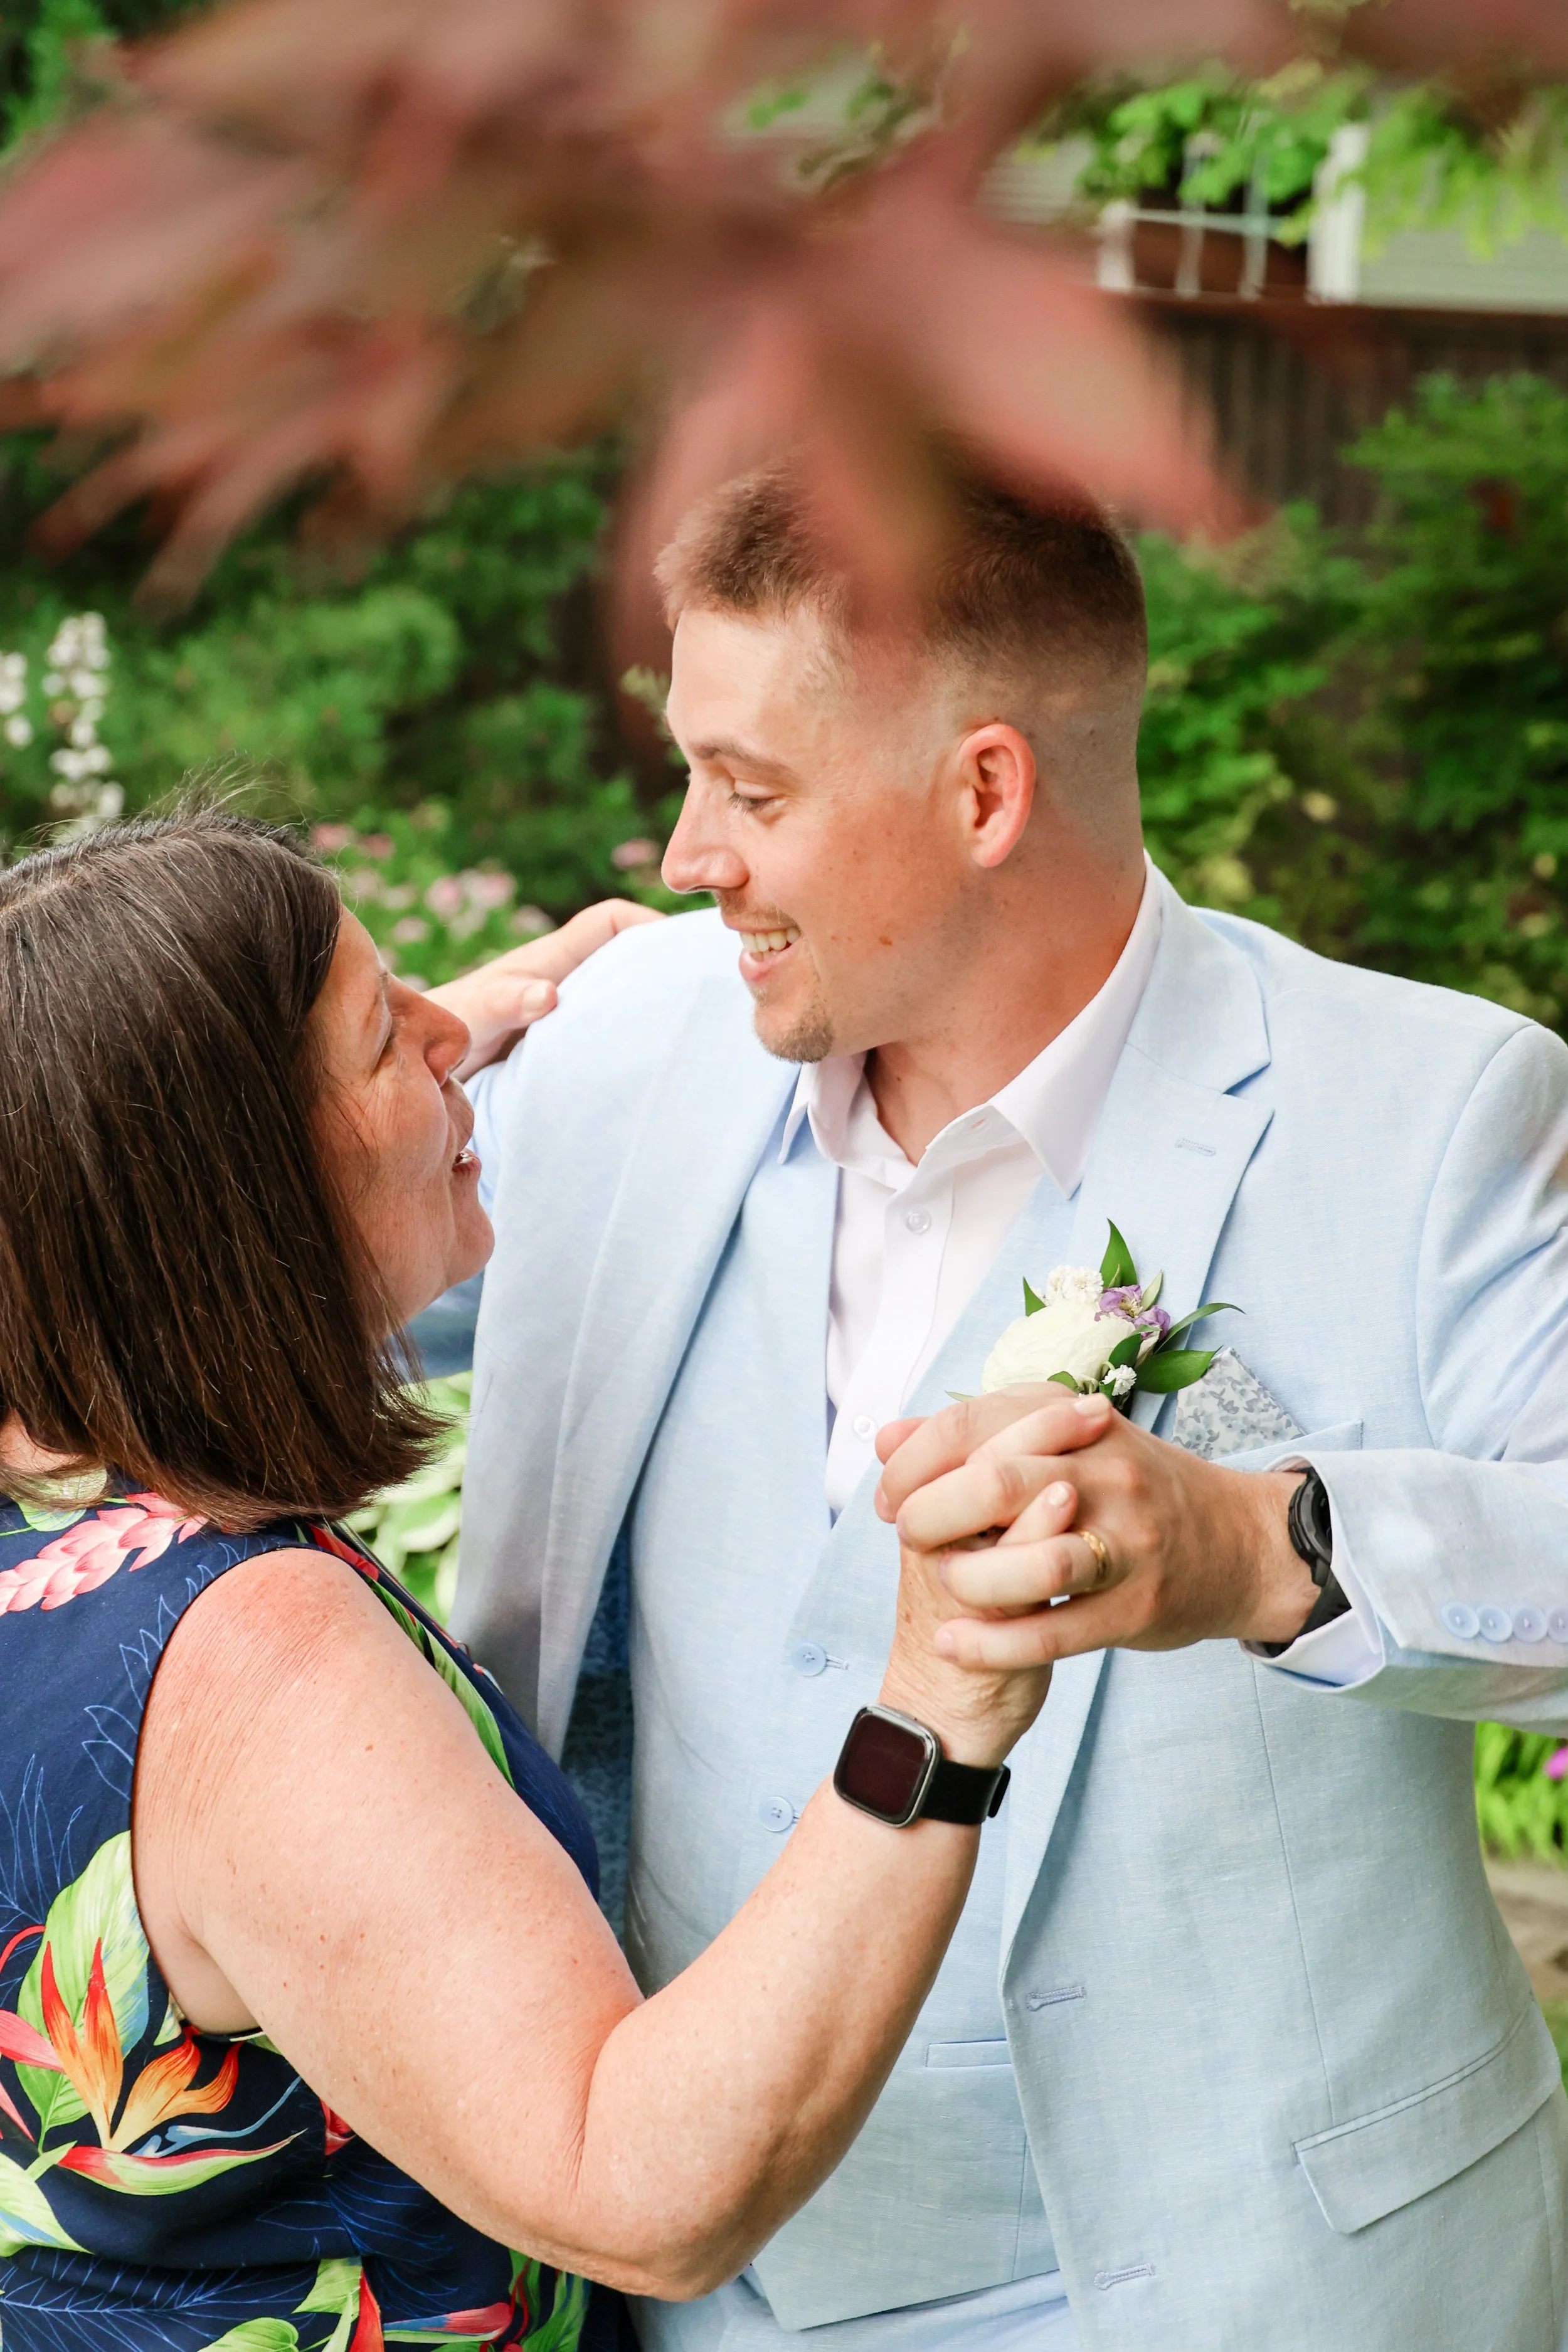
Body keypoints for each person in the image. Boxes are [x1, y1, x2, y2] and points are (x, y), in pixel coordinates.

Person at [456, 460, 1568, 2352]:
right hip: (707, 2293)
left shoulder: (1435, 1105)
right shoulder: (625, 1041)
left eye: (751, 787)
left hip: (1280, 2290)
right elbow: (196, 1262)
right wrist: (364, 1066)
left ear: (984, 789)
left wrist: (1255, 1545)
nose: (681, 852)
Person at [0, 810, 1057, 2352]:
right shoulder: (257, 1662)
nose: (452, 1036)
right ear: (238, 1188)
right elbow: (635, 2186)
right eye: (384, 1036)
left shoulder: (47, 1468)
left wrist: (428, 1038)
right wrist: (934, 1706)